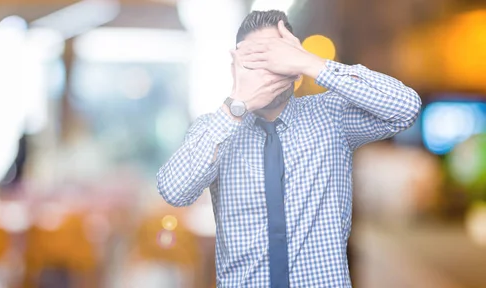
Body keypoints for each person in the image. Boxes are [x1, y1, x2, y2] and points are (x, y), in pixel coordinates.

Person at [157, 10, 421, 288]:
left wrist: (313, 63)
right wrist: (236, 105)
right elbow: (174, 191)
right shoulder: (215, 128)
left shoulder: (332, 116)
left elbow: (405, 109)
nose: (270, 67)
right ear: (235, 67)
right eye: (257, 59)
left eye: (278, 56)